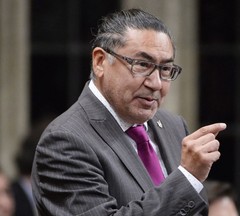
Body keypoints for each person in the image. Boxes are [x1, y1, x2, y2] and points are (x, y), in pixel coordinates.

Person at [32, 8, 227, 216]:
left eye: (165, 69)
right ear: (100, 62)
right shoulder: (65, 141)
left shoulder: (173, 125)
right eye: (142, 65)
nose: (156, 83)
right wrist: (187, 177)